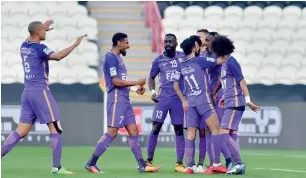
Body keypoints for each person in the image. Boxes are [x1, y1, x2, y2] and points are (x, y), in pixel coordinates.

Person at [1, 20, 87, 174]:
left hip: (27, 92)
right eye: (44, 31)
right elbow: (58, 56)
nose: (46, 32)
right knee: (56, 128)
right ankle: (57, 167)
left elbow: (29, 37)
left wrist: (42, 27)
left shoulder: (24, 46)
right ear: (38, 32)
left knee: (21, 131)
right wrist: (75, 45)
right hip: (40, 92)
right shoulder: (41, 48)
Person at [85, 33, 160, 174]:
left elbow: (122, 82)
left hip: (125, 100)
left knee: (133, 131)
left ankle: (142, 165)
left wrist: (134, 89)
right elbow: (115, 82)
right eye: (126, 43)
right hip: (116, 100)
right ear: (119, 43)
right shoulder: (110, 57)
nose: (128, 45)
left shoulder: (118, 59)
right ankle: (91, 163)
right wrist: (136, 82)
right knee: (112, 132)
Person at [173, 36, 228, 174]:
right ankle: (216, 163)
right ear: (195, 47)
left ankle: (189, 167)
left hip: (190, 102)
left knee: (190, 135)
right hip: (203, 100)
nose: (200, 47)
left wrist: (183, 100)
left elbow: (175, 85)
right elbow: (220, 60)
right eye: (198, 45)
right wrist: (227, 51)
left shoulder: (181, 64)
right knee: (215, 130)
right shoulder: (200, 60)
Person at [211, 35, 260, 175]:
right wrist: (224, 98)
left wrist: (248, 100)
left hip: (235, 103)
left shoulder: (232, 62)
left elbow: (242, 81)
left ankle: (239, 163)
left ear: (219, 49)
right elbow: (228, 84)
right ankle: (236, 165)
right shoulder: (226, 63)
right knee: (231, 134)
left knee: (223, 133)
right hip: (230, 102)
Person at [146, 34, 186, 172]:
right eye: (166, 42)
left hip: (178, 99)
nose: (168, 44)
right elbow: (151, 78)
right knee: (156, 127)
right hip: (162, 99)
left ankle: (179, 164)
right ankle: (149, 161)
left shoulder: (183, 56)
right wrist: (152, 91)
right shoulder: (158, 61)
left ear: (176, 43)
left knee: (179, 129)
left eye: (171, 42)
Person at [202, 32, 233, 173]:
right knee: (209, 129)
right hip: (208, 97)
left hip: (219, 96)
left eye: (208, 41)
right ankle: (213, 163)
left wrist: (215, 92)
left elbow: (222, 76)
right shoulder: (204, 56)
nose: (205, 43)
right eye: (205, 40)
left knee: (218, 129)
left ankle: (229, 159)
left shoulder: (220, 57)